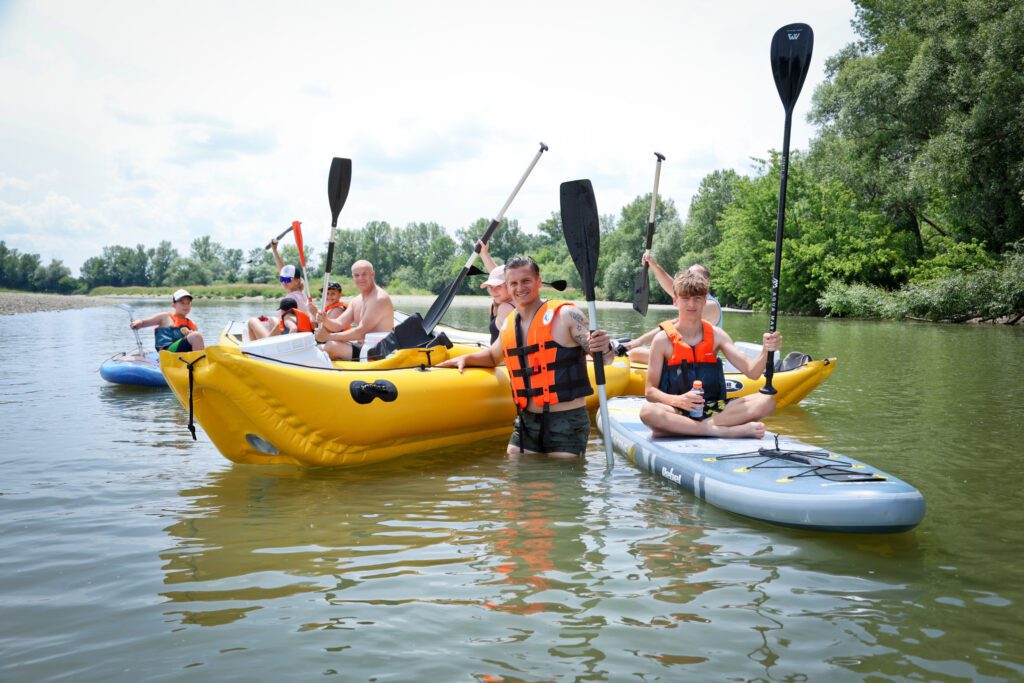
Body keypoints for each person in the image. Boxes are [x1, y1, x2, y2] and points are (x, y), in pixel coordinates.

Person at [438, 255, 614, 458]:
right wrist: (465, 359)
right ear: (508, 286)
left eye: (526, 281)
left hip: (566, 421)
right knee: (515, 472)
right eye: (513, 283)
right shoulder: (509, 324)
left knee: (564, 485)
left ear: (538, 281)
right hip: (527, 421)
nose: (519, 288)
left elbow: (606, 359)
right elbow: (493, 357)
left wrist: (604, 347)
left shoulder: (566, 315)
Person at [639, 270, 781, 439]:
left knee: (767, 401)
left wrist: (766, 350)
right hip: (675, 408)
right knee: (648, 411)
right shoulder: (661, 340)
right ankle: (720, 431)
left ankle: (682, 428)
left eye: (697, 298)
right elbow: (650, 392)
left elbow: (753, 372)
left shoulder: (717, 335)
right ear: (675, 301)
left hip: (713, 408)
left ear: (705, 301)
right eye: (685, 298)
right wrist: (679, 400)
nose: (691, 304)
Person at [622, 255, 723, 363]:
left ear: (707, 282)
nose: (691, 279)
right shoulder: (692, 299)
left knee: (634, 354)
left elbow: (674, 324)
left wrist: (639, 341)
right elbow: (672, 287)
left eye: (696, 277)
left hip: (697, 362)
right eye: (689, 275)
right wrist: (654, 265)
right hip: (683, 355)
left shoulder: (710, 305)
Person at [315, 260, 394, 360]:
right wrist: (325, 320)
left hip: (378, 352)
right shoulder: (356, 301)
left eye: (364, 274)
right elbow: (338, 324)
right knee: (320, 348)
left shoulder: (379, 299)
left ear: (372, 274)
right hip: (362, 348)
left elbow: (360, 332)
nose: (360, 278)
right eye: (356, 275)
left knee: (331, 346)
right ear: (353, 277)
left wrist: (327, 337)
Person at [247, 253, 310, 340]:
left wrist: (267, 340)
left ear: (297, 281)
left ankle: (253, 349)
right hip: (297, 331)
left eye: (287, 279)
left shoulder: (289, 299)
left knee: (252, 321)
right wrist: (275, 250)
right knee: (272, 319)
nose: (284, 282)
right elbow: (283, 269)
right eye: (282, 279)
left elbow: (281, 323)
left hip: (283, 338)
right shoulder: (303, 294)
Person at [131, 288, 205, 352]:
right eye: (182, 303)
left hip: (184, 357)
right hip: (167, 354)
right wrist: (139, 322)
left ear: (191, 305)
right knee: (196, 336)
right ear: (174, 305)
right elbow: (144, 322)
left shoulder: (192, 324)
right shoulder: (165, 317)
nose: (186, 306)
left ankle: (200, 364)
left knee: (197, 337)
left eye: (188, 303)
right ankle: (200, 366)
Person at [476, 241, 514, 343]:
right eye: (490, 286)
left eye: (498, 286)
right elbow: (496, 273)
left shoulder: (510, 307)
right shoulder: (497, 303)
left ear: (510, 286)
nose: (493, 291)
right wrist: (484, 254)